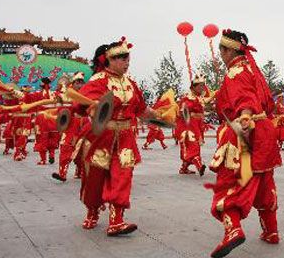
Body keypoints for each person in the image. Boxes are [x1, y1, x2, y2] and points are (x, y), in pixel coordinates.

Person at [207, 29, 281, 258]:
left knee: (231, 181)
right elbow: (264, 101)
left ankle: (233, 230)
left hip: (244, 130)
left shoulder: (235, 71)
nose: (220, 54)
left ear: (229, 50)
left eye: (222, 50)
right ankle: (271, 231)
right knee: (263, 181)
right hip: (265, 130)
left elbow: (244, 100)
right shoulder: (252, 69)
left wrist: (245, 118)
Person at [74, 38, 159, 236]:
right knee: (95, 177)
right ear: (109, 60)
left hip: (125, 136)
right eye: (121, 58)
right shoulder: (99, 80)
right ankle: (92, 210)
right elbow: (81, 107)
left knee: (123, 175)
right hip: (102, 136)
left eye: (127, 58)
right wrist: (93, 108)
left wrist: (159, 114)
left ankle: (116, 220)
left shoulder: (131, 84)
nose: (126, 62)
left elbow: (141, 109)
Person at [52, 72, 89, 182]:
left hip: (85, 124)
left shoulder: (87, 94)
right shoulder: (64, 95)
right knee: (66, 147)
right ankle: (62, 173)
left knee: (83, 149)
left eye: (81, 83)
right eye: (77, 82)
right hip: (72, 124)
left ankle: (80, 171)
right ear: (72, 84)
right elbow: (60, 111)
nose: (80, 85)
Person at [176, 74, 209, 176]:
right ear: (193, 87)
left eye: (203, 85)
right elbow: (182, 112)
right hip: (189, 126)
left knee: (193, 146)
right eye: (199, 86)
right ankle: (199, 166)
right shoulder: (187, 98)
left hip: (197, 125)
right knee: (193, 146)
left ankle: (184, 168)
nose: (202, 88)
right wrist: (190, 113)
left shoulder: (199, 98)